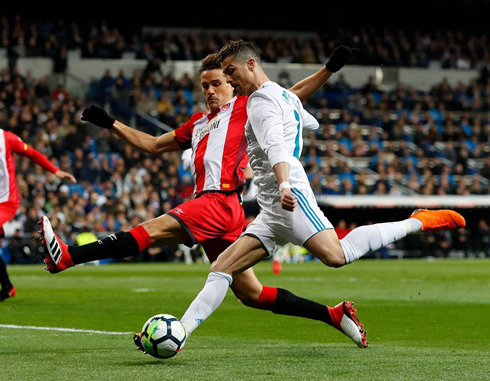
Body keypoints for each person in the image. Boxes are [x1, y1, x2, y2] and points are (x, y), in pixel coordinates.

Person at [39, 47, 371, 348]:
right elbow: (153, 145)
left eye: (216, 83)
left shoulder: (246, 106)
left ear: (231, 82)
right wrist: (111, 123)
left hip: (220, 200)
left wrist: (329, 68)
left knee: (151, 230)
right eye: (205, 86)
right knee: (251, 293)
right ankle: (333, 314)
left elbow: (293, 94)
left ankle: (67, 257)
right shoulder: (197, 123)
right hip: (218, 209)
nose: (210, 91)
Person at [173, 40, 466, 349]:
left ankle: (416, 221)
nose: (229, 80)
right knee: (222, 267)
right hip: (272, 208)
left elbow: (275, 144)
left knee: (336, 256)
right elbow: (301, 105)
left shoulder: (260, 101)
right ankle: (180, 333)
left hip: (291, 197)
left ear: (251, 65)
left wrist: (284, 184)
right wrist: (328, 69)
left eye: (231, 72)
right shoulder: (282, 97)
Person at [0, 129, 76, 301]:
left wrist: (54, 170)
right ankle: (7, 287)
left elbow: (32, 153)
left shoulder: (7, 138)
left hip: (6, 201)